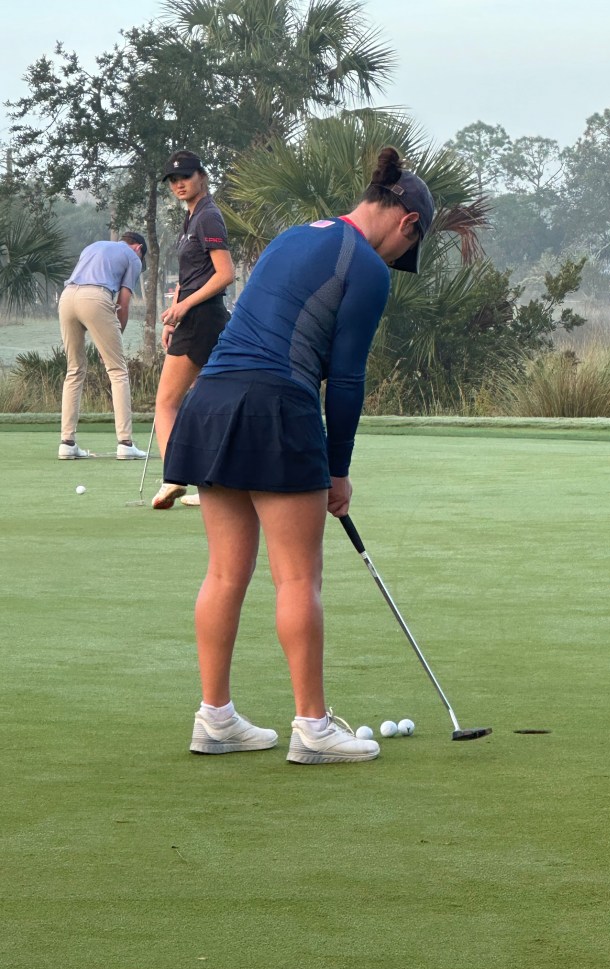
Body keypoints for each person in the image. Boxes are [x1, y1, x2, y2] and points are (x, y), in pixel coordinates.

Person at [163, 147, 435, 764]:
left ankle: (215, 720)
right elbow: (346, 379)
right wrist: (338, 469)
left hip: (213, 401)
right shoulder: (366, 267)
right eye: (406, 249)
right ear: (407, 222)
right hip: (277, 407)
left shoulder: (293, 237)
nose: (396, 261)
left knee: (224, 573)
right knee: (297, 577)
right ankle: (313, 728)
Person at [151, 151, 235, 509]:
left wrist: (184, 308)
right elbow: (190, 277)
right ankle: (212, 483)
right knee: (205, 403)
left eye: (185, 177)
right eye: (173, 180)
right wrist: (175, 313)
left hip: (202, 318)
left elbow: (225, 274)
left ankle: (174, 477)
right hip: (197, 318)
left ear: (202, 175)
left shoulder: (208, 217)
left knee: (166, 404)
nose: (178, 184)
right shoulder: (193, 217)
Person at [58, 232, 148, 460]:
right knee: (118, 370)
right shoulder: (134, 257)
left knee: (74, 370)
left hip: (67, 298)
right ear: (138, 248)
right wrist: (116, 337)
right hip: (95, 298)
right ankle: (125, 443)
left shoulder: (93, 245)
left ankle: (67, 443)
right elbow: (123, 303)